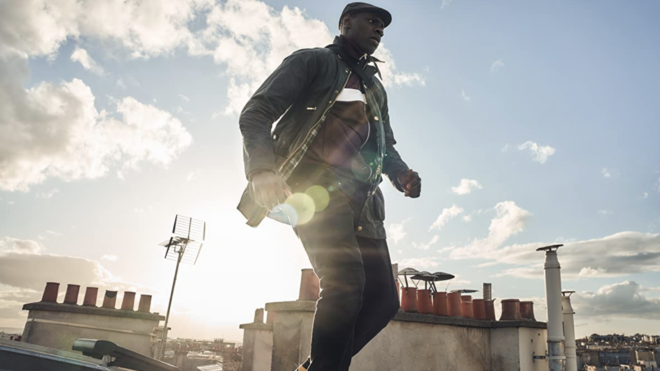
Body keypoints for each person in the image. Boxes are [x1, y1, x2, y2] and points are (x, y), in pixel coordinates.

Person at [236, 3, 421, 371]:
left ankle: (314, 367)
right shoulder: (313, 62)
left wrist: (401, 174)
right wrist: (261, 171)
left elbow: (384, 146)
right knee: (345, 283)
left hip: (364, 201)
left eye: (383, 26)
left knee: (384, 301)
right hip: (313, 193)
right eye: (372, 21)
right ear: (345, 23)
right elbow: (256, 112)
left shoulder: (374, 87)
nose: (379, 29)